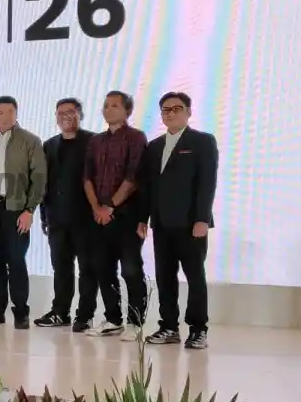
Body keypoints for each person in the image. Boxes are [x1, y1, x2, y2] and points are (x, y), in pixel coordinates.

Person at [139, 92, 218, 350]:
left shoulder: (202, 141)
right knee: (164, 277)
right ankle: (169, 326)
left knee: (195, 276)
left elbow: (207, 183)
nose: (171, 113)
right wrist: (143, 218)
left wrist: (202, 218)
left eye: (177, 108)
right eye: (166, 109)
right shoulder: (154, 146)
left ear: (188, 112)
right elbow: (148, 186)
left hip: (191, 223)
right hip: (161, 223)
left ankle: (198, 329)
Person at [0, 96, 46, 328]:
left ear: (16, 113)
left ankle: (21, 311)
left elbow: (39, 178)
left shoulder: (30, 141)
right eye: (0, 112)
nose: (4, 116)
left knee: (16, 261)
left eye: (9, 112)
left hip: (16, 210)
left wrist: (29, 210)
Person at [84, 90, 148, 340]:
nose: (108, 109)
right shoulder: (96, 141)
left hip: (127, 215)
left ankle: (135, 322)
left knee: (131, 269)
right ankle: (113, 319)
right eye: (106, 105)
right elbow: (87, 178)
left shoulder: (136, 137)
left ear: (127, 111)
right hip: (98, 217)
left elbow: (133, 177)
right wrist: (96, 208)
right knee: (104, 269)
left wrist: (110, 207)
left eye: (114, 105)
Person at [36, 98, 98, 332]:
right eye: (60, 112)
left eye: (70, 111)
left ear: (80, 114)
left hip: (86, 219)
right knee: (61, 268)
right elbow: (45, 184)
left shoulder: (94, 142)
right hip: (57, 219)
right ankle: (60, 312)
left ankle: (85, 315)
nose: (65, 116)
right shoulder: (49, 145)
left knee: (87, 269)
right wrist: (44, 216)